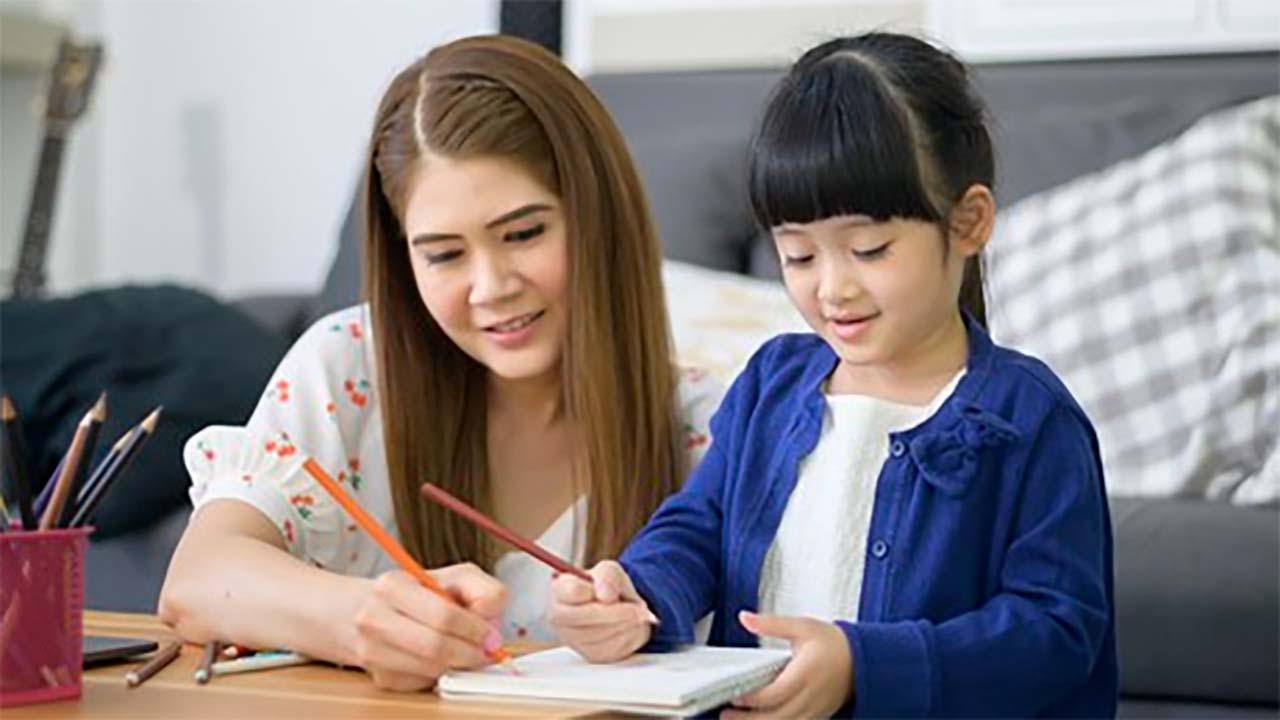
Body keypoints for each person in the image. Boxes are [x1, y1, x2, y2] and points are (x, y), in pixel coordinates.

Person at [548, 32, 1118, 718]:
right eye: (798, 256)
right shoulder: (771, 383)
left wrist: (863, 665)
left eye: (869, 250)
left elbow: (1056, 633)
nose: (833, 290)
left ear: (967, 223)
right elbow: (698, 527)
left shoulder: (1028, 418)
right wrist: (635, 595)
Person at [158, 34, 721, 692]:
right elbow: (196, 582)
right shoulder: (350, 368)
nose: (492, 287)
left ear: (597, 218)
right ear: (405, 259)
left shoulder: (705, 430)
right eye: (445, 254)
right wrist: (360, 618)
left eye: (524, 233)